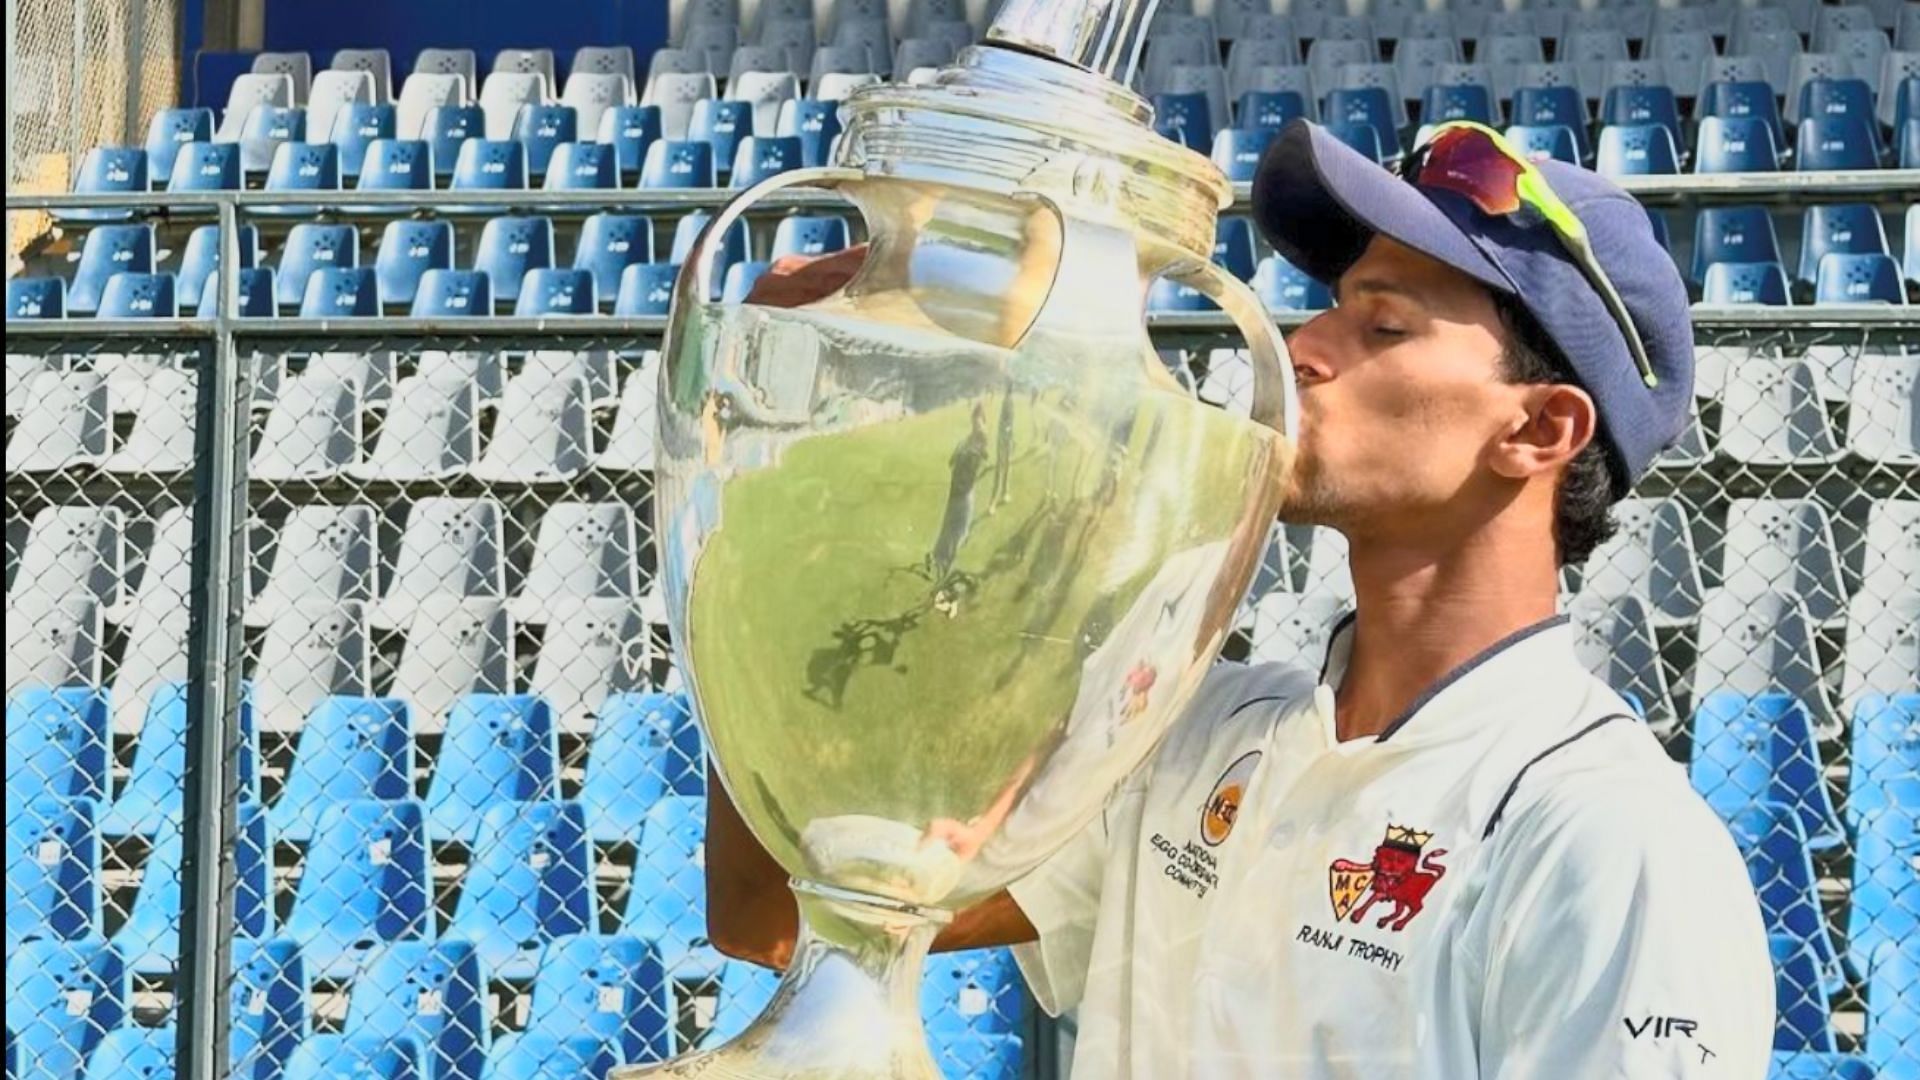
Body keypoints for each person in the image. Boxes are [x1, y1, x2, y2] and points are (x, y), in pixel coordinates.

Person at [709, 119, 1774, 1077]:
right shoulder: (1196, 736)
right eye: (1327, 310)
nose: (1304, 347)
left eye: (1384, 326)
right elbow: (776, 917)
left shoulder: (1603, 839)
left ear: (1541, 430)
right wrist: (801, 457)